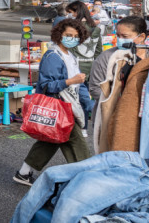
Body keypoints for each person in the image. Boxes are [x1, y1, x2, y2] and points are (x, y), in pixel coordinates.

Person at [13, 19, 92, 186]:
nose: (72, 38)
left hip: (66, 106)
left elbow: (79, 85)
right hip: (60, 107)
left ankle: (23, 173)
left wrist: (87, 103)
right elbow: (47, 85)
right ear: (59, 35)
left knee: (51, 140)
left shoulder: (70, 56)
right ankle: (86, 179)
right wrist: (70, 81)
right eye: (68, 35)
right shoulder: (53, 56)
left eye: (76, 36)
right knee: (77, 144)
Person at [88, 16, 148, 102]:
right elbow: (95, 88)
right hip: (112, 112)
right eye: (118, 36)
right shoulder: (106, 57)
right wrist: (117, 102)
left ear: (141, 37)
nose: (120, 39)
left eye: (125, 36)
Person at [64, 1, 102, 132]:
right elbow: (98, 51)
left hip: (76, 67)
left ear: (76, 12)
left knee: (80, 99)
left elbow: (70, 49)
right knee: (83, 98)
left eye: (70, 12)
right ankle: (83, 127)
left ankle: (85, 125)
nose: (69, 15)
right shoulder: (96, 28)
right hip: (90, 67)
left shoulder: (74, 28)